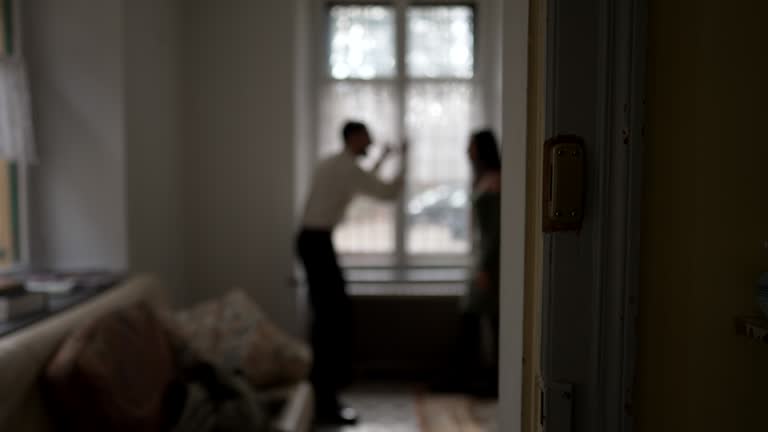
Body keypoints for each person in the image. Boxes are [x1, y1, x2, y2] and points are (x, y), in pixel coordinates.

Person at [297, 121, 406, 426]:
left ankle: (326, 400)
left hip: (314, 241)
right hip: (317, 244)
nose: (370, 143)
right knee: (333, 322)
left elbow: (362, 179)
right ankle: (326, 405)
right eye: (367, 138)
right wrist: (405, 160)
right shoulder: (346, 168)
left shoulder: (334, 164)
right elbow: (385, 192)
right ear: (355, 138)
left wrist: (383, 159)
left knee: (330, 320)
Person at [458, 129, 502, 397]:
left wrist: (486, 265)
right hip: (481, 259)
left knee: (488, 319)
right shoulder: (482, 179)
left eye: (471, 146)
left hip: (491, 261)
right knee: (474, 317)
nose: (467, 151)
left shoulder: (496, 180)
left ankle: (491, 380)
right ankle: (473, 377)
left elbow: (495, 230)